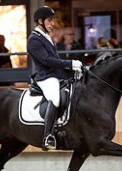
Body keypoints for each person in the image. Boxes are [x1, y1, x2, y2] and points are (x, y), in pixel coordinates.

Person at [27, 6, 83, 151]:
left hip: (55, 75)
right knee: (55, 99)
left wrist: (72, 71)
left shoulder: (46, 37)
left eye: (52, 21)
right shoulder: (34, 40)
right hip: (45, 77)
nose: (52, 24)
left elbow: (55, 60)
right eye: (50, 21)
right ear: (40, 21)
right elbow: (47, 61)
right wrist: (70, 63)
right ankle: (47, 136)